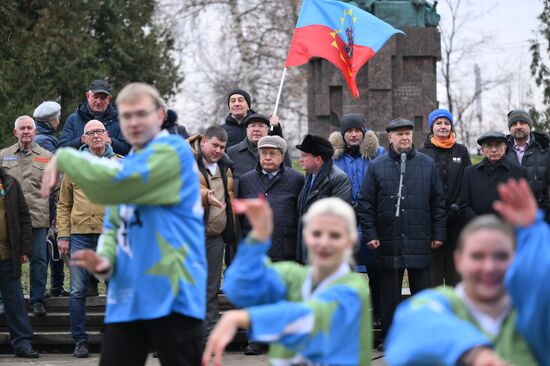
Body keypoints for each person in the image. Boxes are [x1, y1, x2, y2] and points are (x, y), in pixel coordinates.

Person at [41, 82, 205, 365]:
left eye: (141, 114)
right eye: (127, 116)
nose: (133, 122)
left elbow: (119, 184)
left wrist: (66, 156)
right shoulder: (130, 161)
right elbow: (115, 227)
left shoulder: (173, 151)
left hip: (173, 296)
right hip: (127, 299)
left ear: (160, 115)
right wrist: (105, 263)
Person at [386, 178, 550, 366]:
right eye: (477, 257)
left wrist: (533, 232)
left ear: (515, 258)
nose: (489, 267)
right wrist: (473, 354)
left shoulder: (529, 312)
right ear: (458, 260)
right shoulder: (440, 303)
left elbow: (543, 282)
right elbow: (408, 331)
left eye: (501, 256)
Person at [202, 197, 372, 366]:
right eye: (316, 233)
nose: (324, 243)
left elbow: (313, 318)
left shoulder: (354, 290)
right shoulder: (294, 277)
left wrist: (245, 317)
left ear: (351, 241)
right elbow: (239, 287)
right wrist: (259, 236)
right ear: (305, 236)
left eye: (335, 236)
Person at [357, 118, 446, 348]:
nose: (404, 138)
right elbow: (366, 204)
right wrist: (371, 234)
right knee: (389, 297)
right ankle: (390, 337)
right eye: (399, 134)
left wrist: (438, 233)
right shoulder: (378, 166)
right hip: (388, 242)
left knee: (421, 296)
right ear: (390, 138)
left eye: (407, 133)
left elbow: (438, 202)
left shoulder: (427, 164)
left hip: (420, 241)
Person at [56, 120, 122, 358]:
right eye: (90, 132)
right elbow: (63, 205)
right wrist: (63, 235)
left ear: (107, 137)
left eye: (100, 131)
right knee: (77, 291)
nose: (95, 135)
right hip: (80, 236)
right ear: (83, 139)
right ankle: (80, 341)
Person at [328, 113, 385, 324]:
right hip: (343, 222)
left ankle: (378, 313)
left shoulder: (378, 154)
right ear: (343, 135)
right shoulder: (333, 157)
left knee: (377, 271)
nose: (353, 135)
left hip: (371, 221)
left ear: (363, 132)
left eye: (357, 131)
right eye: (349, 131)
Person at [0, 116, 52, 316]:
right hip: (9, 220)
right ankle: (6, 300)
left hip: (37, 217)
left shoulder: (47, 157)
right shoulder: (3, 156)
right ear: (15, 132)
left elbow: (55, 190)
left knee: (39, 260)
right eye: (22, 128)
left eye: (29, 128)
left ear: (35, 131)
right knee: (6, 260)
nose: (26, 131)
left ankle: (37, 300)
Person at [187, 126, 236, 339]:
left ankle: (208, 336)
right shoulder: (185, 161)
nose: (218, 150)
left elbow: (230, 197)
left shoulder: (225, 166)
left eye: (222, 147)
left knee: (211, 288)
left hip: (215, 238)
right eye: (215, 145)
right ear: (204, 140)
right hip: (189, 237)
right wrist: (206, 195)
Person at [419, 109, 471, 287]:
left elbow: (467, 181)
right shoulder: (422, 152)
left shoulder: (461, 151)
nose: (443, 127)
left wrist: (458, 205)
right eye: (439, 123)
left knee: (455, 274)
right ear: (432, 126)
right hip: (432, 220)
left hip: (456, 219)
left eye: (446, 123)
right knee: (433, 273)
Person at [238, 135, 304, 261]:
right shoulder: (245, 180)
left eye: (272, 153)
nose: (267, 157)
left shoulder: (296, 179)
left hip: (286, 251)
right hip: (254, 251)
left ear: (282, 157)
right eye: (264, 153)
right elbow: (241, 218)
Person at [0, 166, 39, 358]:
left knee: (15, 301)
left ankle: (22, 343)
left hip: (8, 255)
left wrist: (25, 249)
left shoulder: (10, 183)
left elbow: (24, 216)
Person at [296, 134, 352, 264]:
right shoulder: (310, 176)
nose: (300, 160)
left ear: (318, 159)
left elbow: (338, 218)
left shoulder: (338, 179)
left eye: (304, 156)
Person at [33, 101, 67, 297]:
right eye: (58, 117)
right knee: (50, 245)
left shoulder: (43, 138)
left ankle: (54, 286)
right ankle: (53, 286)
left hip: (42, 202)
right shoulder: (46, 141)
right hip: (47, 204)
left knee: (51, 245)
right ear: (52, 120)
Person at [458, 131, 527, 223]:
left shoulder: (519, 172)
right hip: (478, 229)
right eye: (489, 145)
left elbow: (522, 205)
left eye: (498, 145)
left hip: (508, 230)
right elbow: (464, 205)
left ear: (505, 147)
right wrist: (480, 223)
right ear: (482, 149)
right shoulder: (470, 172)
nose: (494, 150)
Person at [60, 80, 130, 155]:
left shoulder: (120, 121)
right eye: (95, 97)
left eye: (102, 98)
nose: (98, 101)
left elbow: (129, 150)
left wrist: (109, 141)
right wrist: (82, 140)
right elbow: (62, 148)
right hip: (78, 165)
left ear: (109, 99)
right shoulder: (73, 119)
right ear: (87, 96)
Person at [227, 113, 290, 191]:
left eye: (261, 126)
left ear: (268, 129)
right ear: (246, 130)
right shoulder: (232, 152)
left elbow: (288, 173)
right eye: (252, 126)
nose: (256, 129)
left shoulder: (278, 151)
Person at [504, 109, 549, 216]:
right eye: (514, 124)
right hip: (511, 215)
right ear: (510, 128)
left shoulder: (546, 149)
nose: (518, 126)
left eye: (522, 123)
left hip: (541, 214)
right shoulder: (501, 151)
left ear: (530, 125)